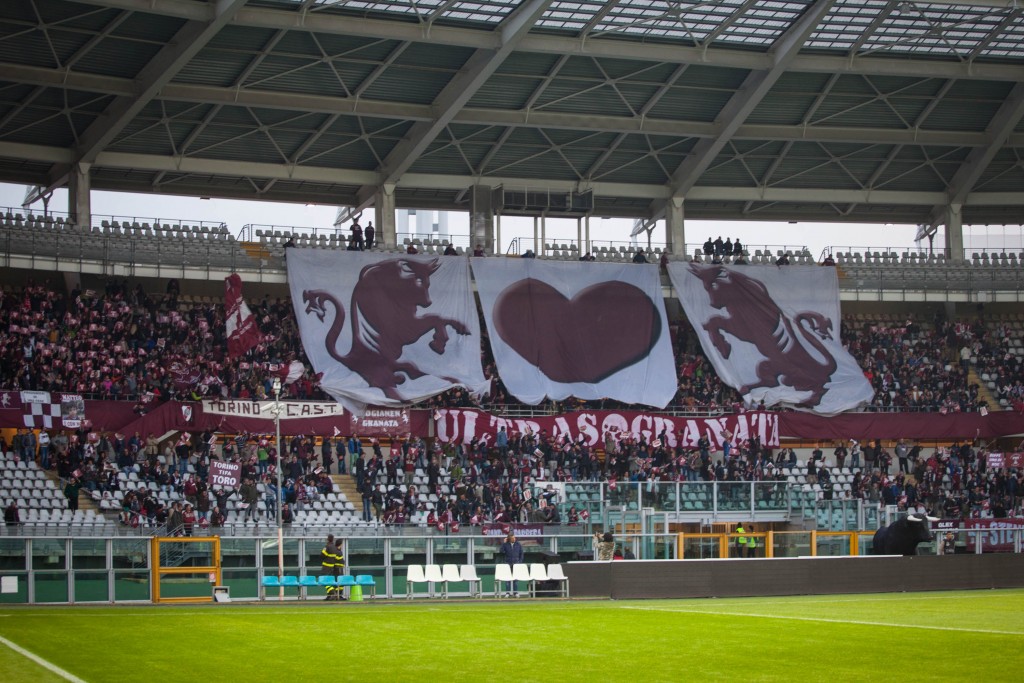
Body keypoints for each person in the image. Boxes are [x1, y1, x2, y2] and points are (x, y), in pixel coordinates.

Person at [499, 532, 524, 597]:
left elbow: (521, 554)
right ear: (509, 539)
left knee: (515, 579)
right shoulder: (506, 544)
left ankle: (515, 592)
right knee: (507, 579)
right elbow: (501, 551)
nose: (514, 539)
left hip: (516, 564)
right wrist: (503, 543)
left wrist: (520, 562)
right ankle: (507, 593)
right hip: (508, 564)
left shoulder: (518, 544)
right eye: (512, 538)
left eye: (514, 537)